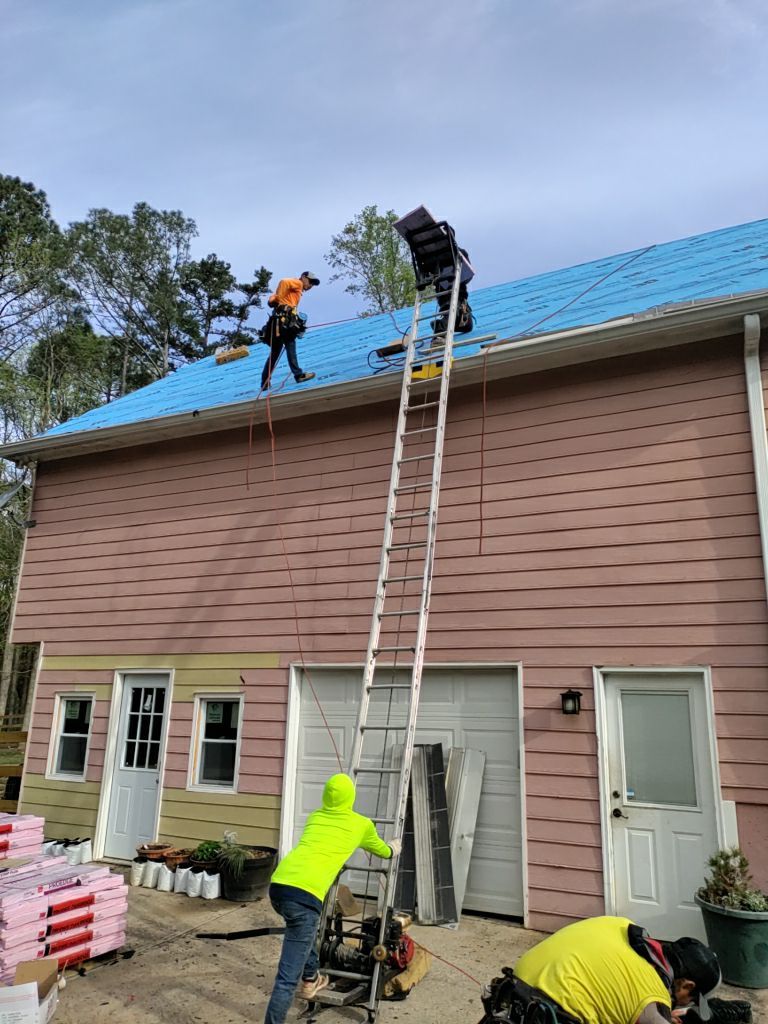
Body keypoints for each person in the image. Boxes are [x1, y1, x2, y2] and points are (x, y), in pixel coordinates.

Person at [264, 772, 400, 1024]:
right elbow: (383, 851)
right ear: (351, 797)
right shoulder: (361, 824)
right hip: (304, 897)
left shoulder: (315, 817)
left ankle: (311, 979)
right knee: (285, 980)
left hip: (279, 886)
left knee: (304, 934)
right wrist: (393, 848)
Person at [479, 915, 721, 1024]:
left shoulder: (621, 925)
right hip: (552, 1014)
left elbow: (608, 980)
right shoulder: (652, 996)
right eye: (689, 1000)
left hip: (512, 991)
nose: (683, 1004)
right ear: (686, 985)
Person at [260, 271, 320, 389]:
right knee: (290, 344)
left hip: (276, 323)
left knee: (275, 352)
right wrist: (280, 298)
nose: (310, 285)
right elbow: (284, 281)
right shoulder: (298, 283)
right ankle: (298, 375)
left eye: (313, 284)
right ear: (303, 277)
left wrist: (276, 300)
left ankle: (265, 382)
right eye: (310, 281)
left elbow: (272, 300)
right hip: (283, 323)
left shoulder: (292, 292)